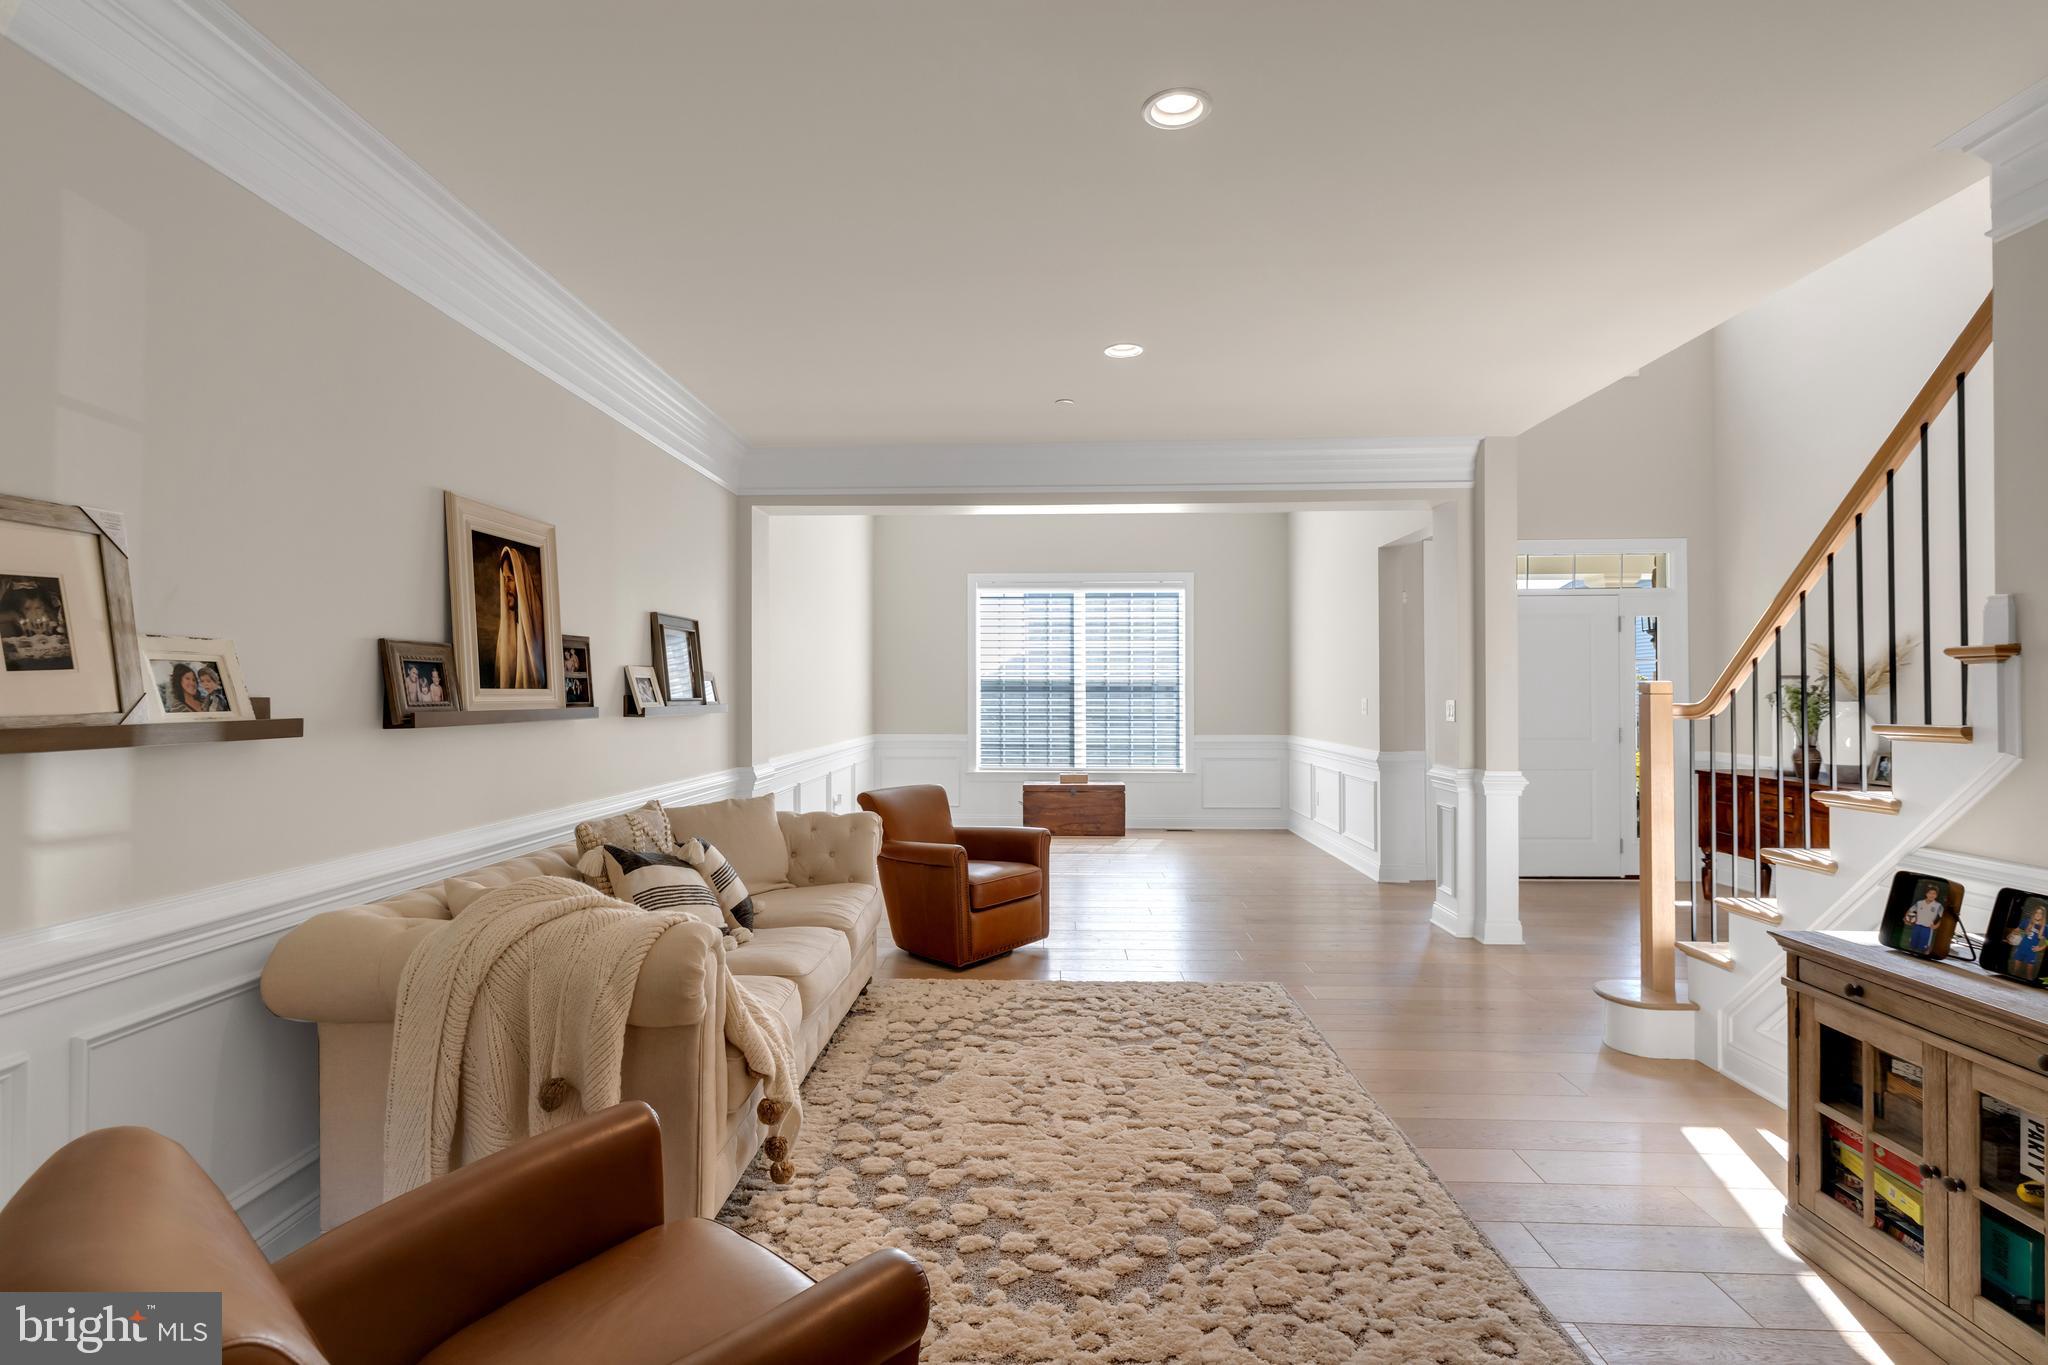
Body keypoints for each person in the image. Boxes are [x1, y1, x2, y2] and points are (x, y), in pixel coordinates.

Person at [490, 545, 547, 690]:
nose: (505, 587)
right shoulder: (508, 629)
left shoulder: (540, 619)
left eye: (509, 579)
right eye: (503, 579)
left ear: (520, 580)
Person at [2011, 903, 2048, 982]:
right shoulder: (2026, 922)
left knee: (2029, 975)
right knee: (2015, 971)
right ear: (2034, 913)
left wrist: (2040, 948)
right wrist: (2013, 935)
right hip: (2021, 949)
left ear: (2043, 916)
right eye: (2036, 912)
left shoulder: (2045, 928)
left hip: (2031, 952)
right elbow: (2017, 930)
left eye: (2040, 913)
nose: (2038, 915)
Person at [1906, 885, 1945, 955]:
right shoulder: (1919, 903)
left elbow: (1944, 917)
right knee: (1912, 947)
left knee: (1922, 949)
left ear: (1936, 895)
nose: (1931, 895)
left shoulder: (1938, 905)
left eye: (1934, 894)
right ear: (1926, 894)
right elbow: (1910, 910)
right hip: (1917, 926)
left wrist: (1936, 925)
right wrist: (1907, 919)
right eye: (1930, 893)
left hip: (1927, 928)